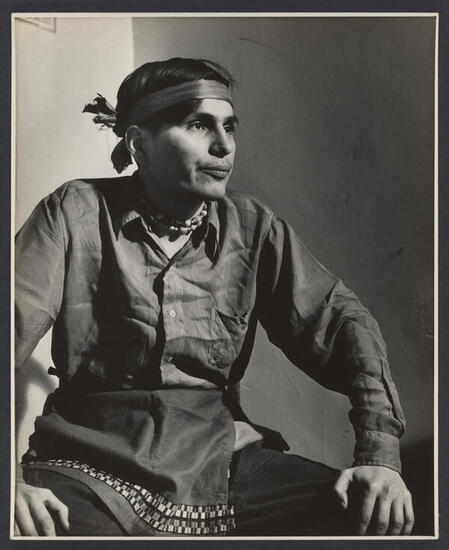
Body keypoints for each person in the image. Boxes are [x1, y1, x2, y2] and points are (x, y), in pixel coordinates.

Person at [14, 57, 414, 537]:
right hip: (89, 458)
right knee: (43, 530)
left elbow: (342, 323)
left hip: (218, 454)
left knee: (362, 515)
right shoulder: (73, 212)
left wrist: (379, 456)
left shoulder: (253, 227)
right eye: (199, 125)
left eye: (229, 127)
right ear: (139, 144)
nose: (224, 146)